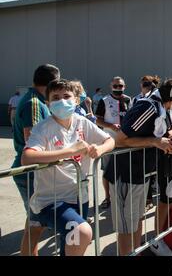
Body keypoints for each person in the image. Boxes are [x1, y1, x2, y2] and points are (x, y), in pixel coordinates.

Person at [21, 79, 114, 256]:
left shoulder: (82, 122)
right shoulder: (43, 128)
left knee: (72, 243)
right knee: (81, 232)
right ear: (47, 103)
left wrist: (100, 149)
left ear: (76, 100)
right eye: (56, 97)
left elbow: (110, 140)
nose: (62, 101)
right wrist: (69, 151)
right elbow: (27, 157)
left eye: (66, 96)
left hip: (80, 196)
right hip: (51, 199)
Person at [105, 79, 172, 256]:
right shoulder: (148, 107)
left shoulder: (162, 108)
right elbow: (119, 139)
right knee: (127, 227)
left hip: (141, 172)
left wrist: (167, 140)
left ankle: (135, 252)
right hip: (126, 173)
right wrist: (155, 141)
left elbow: (160, 133)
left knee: (136, 219)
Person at [12, 64, 60, 256]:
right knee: (34, 226)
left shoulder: (39, 101)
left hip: (37, 172)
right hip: (31, 172)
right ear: (51, 83)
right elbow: (31, 143)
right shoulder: (33, 104)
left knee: (34, 225)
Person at [95, 76, 131, 209]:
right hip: (109, 140)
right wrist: (110, 126)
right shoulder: (104, 101)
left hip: (125, 141)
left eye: (120, 86)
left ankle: (123, 196)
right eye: (115, 86)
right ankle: (107, 197)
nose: (118, 88)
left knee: (125, 170)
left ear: (124, 86)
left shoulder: (128, 99)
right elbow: (97, 120)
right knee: (107, 170)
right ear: (111, 86)